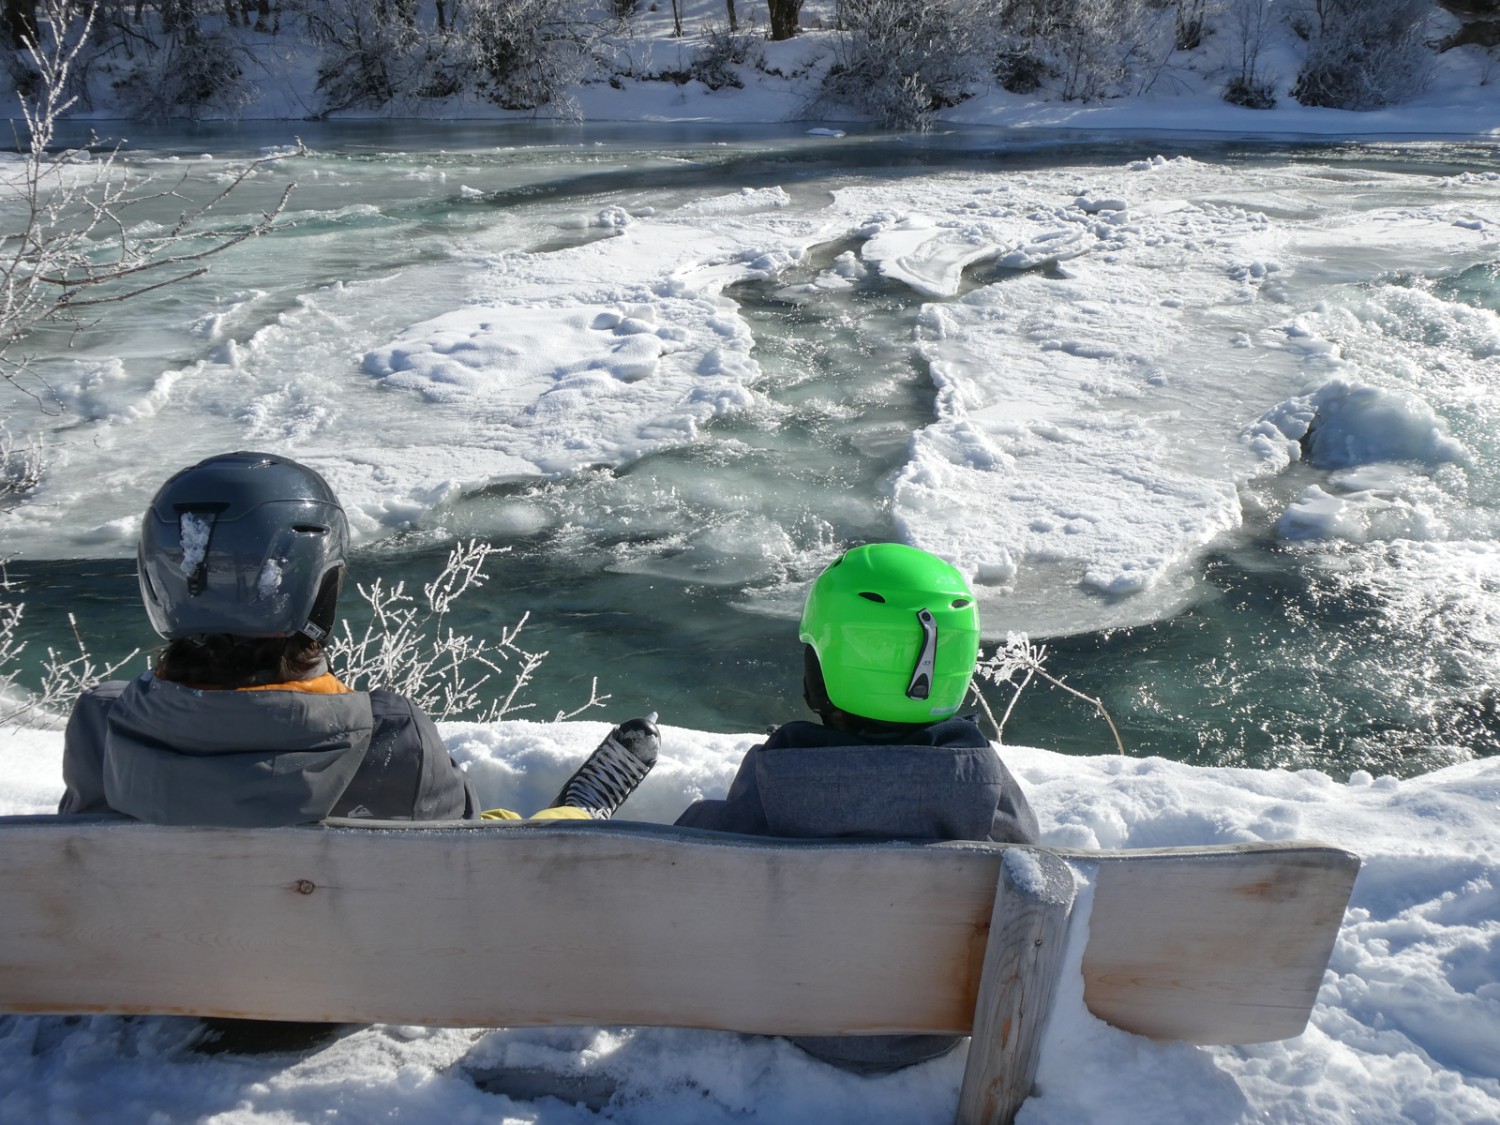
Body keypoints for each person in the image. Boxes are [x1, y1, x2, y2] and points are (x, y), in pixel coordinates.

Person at [60, 450, 658, 828]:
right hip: (338, 977)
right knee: (516, 832)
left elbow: (82, 857)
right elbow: (473, 867)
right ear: (318, 590)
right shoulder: (386, 736)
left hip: (157, 973)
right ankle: (577, 812)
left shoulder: (101, 721)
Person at [675, 541, 1039, 1074]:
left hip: (796, 1023)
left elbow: (692, 866)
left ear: (819, 675)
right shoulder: (986, 790)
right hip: (934, 1032)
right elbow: (1031, 872)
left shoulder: (775, 782)